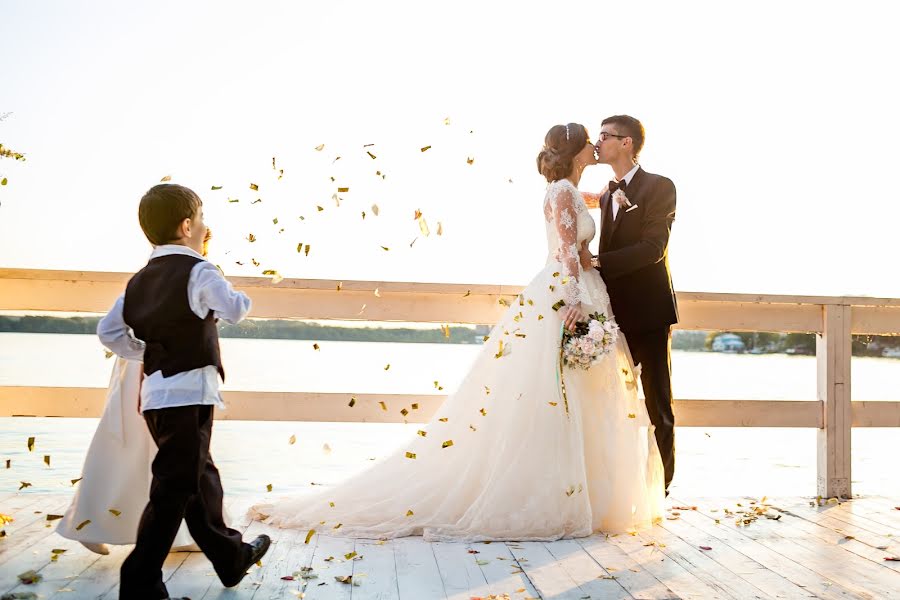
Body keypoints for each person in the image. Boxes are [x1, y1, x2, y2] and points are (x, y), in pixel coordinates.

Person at [249, 123, 664, 541]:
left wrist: (610, 203)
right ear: (577, 151)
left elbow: (588, 215)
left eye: (604, 137)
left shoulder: (572, 191)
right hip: (566, 292)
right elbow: (567, 252)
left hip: (584, 289)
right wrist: (574, 296)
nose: (597, 144)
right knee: (556, 390)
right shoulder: (560, 192)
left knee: (584, 390)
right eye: (592, 139)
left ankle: (584, 491)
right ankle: (557, 492)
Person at [98, 184, 270, 600]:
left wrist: (147, 351)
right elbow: (234, 309)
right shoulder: (201, 271)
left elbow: (109, 333)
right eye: (202, 217)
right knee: (174, 487)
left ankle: (231, 557)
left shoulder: (138, 281)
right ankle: (139, 580)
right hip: (190, 394)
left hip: (157, 397)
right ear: (187, 225)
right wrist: (234, 291)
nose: (206, 225)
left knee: (198, 475)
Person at [57, 229, 222, 556]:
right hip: (154, 368)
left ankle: (182, 535)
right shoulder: (179, 274)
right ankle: (92, 520)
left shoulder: (181, 272)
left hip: (164, 368)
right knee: (131, 445)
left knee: (175, 457)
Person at [589, 115, 678, 494]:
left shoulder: (660, 186)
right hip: (610, 315)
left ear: (627, 143)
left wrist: (596, 262)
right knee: (609, 404)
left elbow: (653, 249)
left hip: (648, 313)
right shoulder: (608, 194)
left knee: (658, 406)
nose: (598, 142)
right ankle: (620, 489)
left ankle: (661, 490)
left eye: (605, 136)